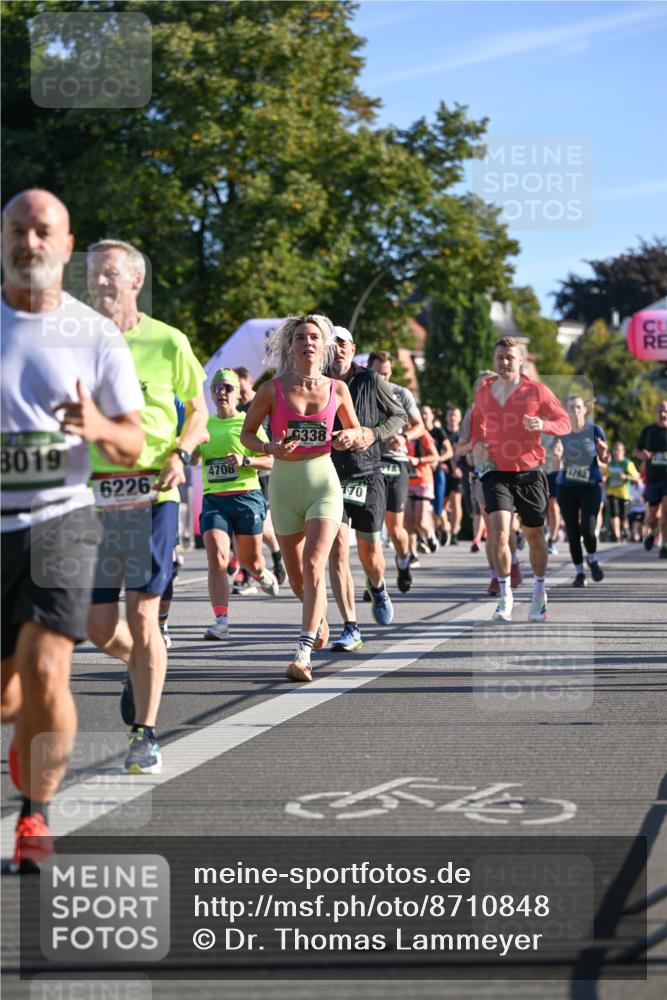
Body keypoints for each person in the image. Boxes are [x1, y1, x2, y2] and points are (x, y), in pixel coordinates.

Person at [1, 190, 144, 872]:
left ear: (66, 243)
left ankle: (34, 816)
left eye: (42, 232)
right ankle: (23, 726)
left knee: (49, 665)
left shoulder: (93, 333)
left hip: (59, 517)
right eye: (18, 231)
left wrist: (95, 427)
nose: (30, 244)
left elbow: (129, 444)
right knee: (10, 693)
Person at [86, 239, 208, 774]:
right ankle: (141, 662)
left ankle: (145, 734)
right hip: (91, 495)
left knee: (141, 613)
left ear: (135, 280)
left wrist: (182, 451)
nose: (98, 283)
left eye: (109, 273)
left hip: (153, 490)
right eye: (91, 274)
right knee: (95, 626)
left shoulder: (168, 341)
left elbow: (199, 408)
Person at [240, 314, 359, 682]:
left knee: (313, 564)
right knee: (296, 578)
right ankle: (318, 618)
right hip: (284, 485)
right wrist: (268, 445)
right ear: (290, 347)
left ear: (324, 347)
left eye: (314, 338)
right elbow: (247, 435)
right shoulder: (271, 390)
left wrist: (348, 438)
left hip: (323, 482)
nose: (308, 343)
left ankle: (303, 653)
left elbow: (354, 430)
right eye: (301, 338)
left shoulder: (337, 389)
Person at [470, 337, 571, 622]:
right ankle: (505, 595)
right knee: (500, 532)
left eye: (509, 358)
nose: (504, 362)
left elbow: (565, 421)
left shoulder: (536, 390)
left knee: (535, 536)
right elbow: (477, 421)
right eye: (500, 356)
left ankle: (539, 592)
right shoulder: (485, 390)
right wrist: (478, 443)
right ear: (494, 359)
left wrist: (544, 424)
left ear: (520, 361)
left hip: (529, 471)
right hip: (496, 471)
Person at [324, 328, 407, 652]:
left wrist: (372, 433)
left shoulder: (371, 380)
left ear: (352, 348)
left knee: (369, 554)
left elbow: (398, 415)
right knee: (338, 551)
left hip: (368, 475)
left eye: (342, 343)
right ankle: (351, 627)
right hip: (331, 476)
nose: (338, 349)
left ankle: (378, 585)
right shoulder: (318, 382)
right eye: (332, 344)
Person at [195, 368, 278, 640]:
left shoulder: (248, 423)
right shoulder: (204, 425)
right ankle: (221, 621)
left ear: (236, 392)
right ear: (211, 393)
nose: (222, 392)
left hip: (246, 496)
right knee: (217, 559)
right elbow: (193, 459)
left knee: (250, 561)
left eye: (227, 388)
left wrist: (244, 461)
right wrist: (192, 450)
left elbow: (270, 460)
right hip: (214, 499)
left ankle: (261, 573)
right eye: (217, 388)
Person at [366, 350, 425, 593]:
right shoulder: (361, 392)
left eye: (387, 373)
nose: (384, 378)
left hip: (395, 463)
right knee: (371, 529)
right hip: (369, 463)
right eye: (379, 374)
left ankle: (403, 561)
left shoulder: (401, 393)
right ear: (369, 370)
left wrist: (403, 437)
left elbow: (420, 426)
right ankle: (375, 581)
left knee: (395, 528)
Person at [234, 366, 286, 586]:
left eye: (241, 386)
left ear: (250, 381)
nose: (239, 391)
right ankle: (246, 574)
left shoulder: (265, 399)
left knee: (263, 527)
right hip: (244, 472)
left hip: (265, 471)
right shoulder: (237, 408)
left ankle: (276, 555)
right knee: (240, 527)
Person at [556, 395, 609, 586]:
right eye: (571, 408)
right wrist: (557, 456)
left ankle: (592, 559)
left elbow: (605, 460)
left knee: (588, 528)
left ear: (584, 410)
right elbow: (554, 464)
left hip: (590, 487)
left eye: (578, 407)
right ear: (566, 411)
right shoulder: (561, 432)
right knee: (572, 531)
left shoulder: (595, 430)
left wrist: (603, 452)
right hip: (567, 487)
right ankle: (579, 573)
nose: (575, 411)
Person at [635, 400, 667, 558]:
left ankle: (664, 546)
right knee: (652, 516)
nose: (663, 414)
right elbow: (637, 450)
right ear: (656, 413)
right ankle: (652, 532)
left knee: (666, 512)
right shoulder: (648, 431)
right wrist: (643, 455)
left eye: (666, 411)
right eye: (660, 411)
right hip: (653, 479)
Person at [419, 405, 454, 545]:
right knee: (425, 506)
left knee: (438, 508)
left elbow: (449, 452)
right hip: (422, 474)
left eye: (426, 413)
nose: (424, 416)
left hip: (437, 472)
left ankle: (445, 527)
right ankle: (428, 535)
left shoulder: (438, 432)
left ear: (432, 416)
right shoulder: (418, 431)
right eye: (421, 413)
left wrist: (437, 459)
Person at [605, 441, 640, 542]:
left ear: (623, 452)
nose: (616, 452)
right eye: (614, 450)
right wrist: (603, 479)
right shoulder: (610, 464)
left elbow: (637, 477)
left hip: (624, 494)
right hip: (612, 492)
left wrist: (626, 477)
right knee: (614, 514)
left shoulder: (627, 463)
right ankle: (617, 535)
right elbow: (605, 475)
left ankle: (625, 530)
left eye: (618, 450)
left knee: (623, 516)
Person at [443, 405, 464, 544]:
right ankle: (444, 528)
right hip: (443, 471)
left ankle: (455, 531)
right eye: (450, 415)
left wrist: (461, 468)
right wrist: (440, 464)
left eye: (455, 415)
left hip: (458, 472)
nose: (452, 418)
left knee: (456, 502)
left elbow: (467, 453)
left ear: (460, 418)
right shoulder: (442, 432)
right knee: (442, 505)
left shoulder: (463, 434)